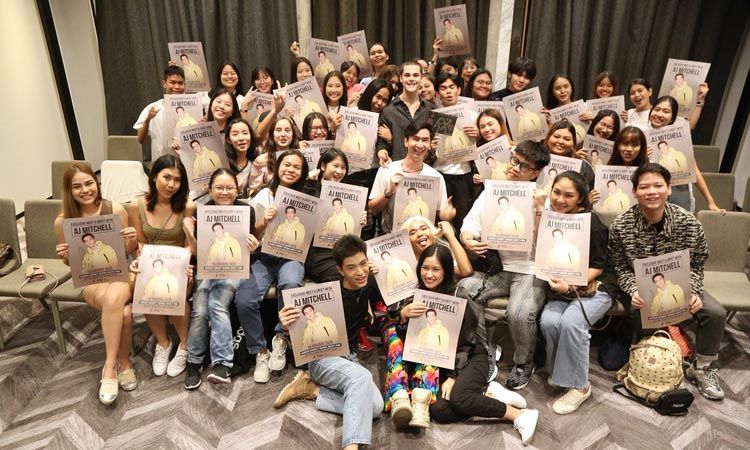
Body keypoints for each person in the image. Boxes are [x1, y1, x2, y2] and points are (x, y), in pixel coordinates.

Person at [608, 163, 726, 401]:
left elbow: (697, 263)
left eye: (658, 185)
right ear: (634, 192)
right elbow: (619, 266)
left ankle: (702, 368)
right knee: (642, 311)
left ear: (669, 188)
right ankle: (651, 363)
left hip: (681, 287)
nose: (652, 191)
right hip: (643, 291)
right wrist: (633, 290)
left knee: (715, 313)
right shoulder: (621, 225)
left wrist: (693, 292)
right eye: (644, 187)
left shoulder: (688, 222)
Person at [274, 235, 384, 449]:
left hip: (350, 356)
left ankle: (311, 389)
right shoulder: (327, 293)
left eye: (363, 264)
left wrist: (382, 273)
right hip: (322, 358)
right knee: (362, 377)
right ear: (340, 270)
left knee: (376, 408)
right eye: (351, 268)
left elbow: (392, 299)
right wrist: (286, 326)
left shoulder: (370, 281)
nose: (360, 272)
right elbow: (302, 333)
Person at [424, 247, 539, 445]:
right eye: (425, 268)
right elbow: (414, 339)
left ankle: (520, 415)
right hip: (442, 361)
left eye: (436, 269)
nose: (429, 274)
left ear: (446, 270)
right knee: (439, 410)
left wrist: (452, 376)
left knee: (459, 399)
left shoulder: (458, 294)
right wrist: (403, 319)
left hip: (471, 356)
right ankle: (489, 394)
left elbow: (467, 341)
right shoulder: (417, 296)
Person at [459, 141, 550, 390]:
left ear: (535, 172)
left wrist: (540, 211)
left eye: (524, 166)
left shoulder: (543, 199)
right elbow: (469, 225)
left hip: (530, 269)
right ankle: (484, 350)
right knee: (464, 289)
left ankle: (524, 361)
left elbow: (549, 244)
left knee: (519, 312)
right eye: (514, 160)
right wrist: (468, 240)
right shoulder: (492, 192)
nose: (515, 168)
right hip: (500, 268)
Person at [54, 163, 139, 405]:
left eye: (89, 183)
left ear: (97, 182)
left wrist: (132, 241)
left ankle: (109, 368)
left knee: (113, 299)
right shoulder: (63, 221)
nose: (85, 190)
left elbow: (129, 251)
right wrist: (65, 256)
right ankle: (124, 363)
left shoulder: (116, 209)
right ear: (69, 191)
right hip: (91, 280)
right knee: (123, 313)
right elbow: (72, 264)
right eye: (77, 186)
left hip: (122, 272)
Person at [540, 171, 617, 414]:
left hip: (597, 285)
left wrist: (570, 285)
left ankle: (581, 386)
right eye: (556, 192)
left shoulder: (591, 223)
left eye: (568, 195)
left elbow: (598, 267)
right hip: (563, 286)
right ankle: (560, 373)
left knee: (572, 323)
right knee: (549, 321)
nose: (560, 199)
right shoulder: (551, 219)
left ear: (581, 199)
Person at [237, 150, 312, 381]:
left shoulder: (308, 199)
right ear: (278, 167)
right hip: (264, 256)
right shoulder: (263, 195)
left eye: (296, 167)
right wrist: (264, 221)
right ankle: (259, 350)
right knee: (244, 299)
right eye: (286, 164)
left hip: (291, 256)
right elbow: (249, 233)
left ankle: (281, 338)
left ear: (302, 172)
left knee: (290, 283)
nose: (290, 170)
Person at [183, 169, 259, 389]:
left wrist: (254, 247)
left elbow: (246, 250)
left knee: (217, 304)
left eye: (229, 188)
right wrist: (189, 233)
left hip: (234, 269)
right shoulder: (202, 212)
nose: (224, 192)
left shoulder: (246, 211)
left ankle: (222, 364)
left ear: (237, 189)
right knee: (200, 310)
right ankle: (194, 361)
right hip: (207, 268)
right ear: (210, 189)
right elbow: (198, 253)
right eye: (219, 187)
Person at [128, 155, 196, 378]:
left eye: (177, 180)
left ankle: (184, 346)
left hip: (179, 264)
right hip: (151, 262)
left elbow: (189, 245)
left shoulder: (187, 205)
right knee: (144, 288)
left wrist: (185, 263)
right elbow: (140, 241)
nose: (171, 184)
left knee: (177, 290)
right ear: (154, 176)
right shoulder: (137, 205)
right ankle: (163, 343)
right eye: (167, 177)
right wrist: (140, 258)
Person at [369, 120, 455, 234]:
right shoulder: (387, 170)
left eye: (425, 140)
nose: (420, 145)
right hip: (393, 237)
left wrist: (446, 215)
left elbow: (441, 214)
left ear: (430, 145)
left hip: (423, 238)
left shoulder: (436, 177)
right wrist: (388, 193)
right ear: (406, 141)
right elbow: (372, 209)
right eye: (415, 139)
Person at [647, 95, 724, 214]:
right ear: (650, 111)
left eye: (666, 111)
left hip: (679, 192)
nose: (660, 114)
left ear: (672, 118)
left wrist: (711, 202)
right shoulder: (639, 137)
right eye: (657, 109)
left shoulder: (680, 139)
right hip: (650, 193)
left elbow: (694, 171)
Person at [432, 72, 479, 231]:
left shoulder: (472, 116)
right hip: (441, 173)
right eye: (443, 88)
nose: (448, 91)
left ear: (459, 90)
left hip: (463, 175)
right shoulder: (436, 117)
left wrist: (478, 135)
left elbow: (484, 146)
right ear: (437, 93)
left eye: (452, 87)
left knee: (462, 219)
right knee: (439, 218)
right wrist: (432, 146)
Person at [375, 60, 432, 162]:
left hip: (424, 167)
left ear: (421, 78)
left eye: (415, 75)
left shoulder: (430, 108)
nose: (411, 79)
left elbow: (435, 139)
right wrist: (382, 153)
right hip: (398, 167)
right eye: (407, 75)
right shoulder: (388, 110)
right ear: (401, 78)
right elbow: (381, 143)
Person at [134, 65, 186, 163]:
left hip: (185, 164)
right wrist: (147, 120)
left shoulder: (192, 108)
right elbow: (140, 139)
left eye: (180, 83)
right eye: (172, 82)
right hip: (160, 163)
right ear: (164, 83)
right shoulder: (153, 108)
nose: (177, 87)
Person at [400, 216, 473, 277]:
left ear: (432, 232)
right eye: (412, 233)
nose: (420, 234)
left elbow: (466, 271)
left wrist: (450, 235)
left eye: (424, 229)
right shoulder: (403, 265)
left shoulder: (442, 255)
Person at [544, 120, 595, 189]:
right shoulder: (537, 159)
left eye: (567, 139)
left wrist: (576, 164)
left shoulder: (584, 167)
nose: (561, 141)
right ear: (548, 138)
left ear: (573, 142)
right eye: (556, 137)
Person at [224, 118, 266, 198]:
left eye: (245, 133)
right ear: (228, 140)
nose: (241, 138)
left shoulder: (255, 165)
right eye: (235, 134)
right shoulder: (222, 164)